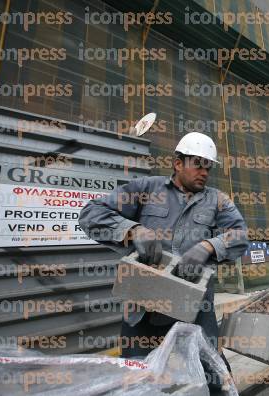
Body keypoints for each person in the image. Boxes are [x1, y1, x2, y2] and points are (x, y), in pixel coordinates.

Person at [79, 132, 248, 390]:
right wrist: (133, 230)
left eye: (208, 167)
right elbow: (91, 214)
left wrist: (208, 246)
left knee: (216, 375)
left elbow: (240, 235)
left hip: (195, 311)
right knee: (139, 379)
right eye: (197, 164)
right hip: (144, 311)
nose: (204, 172)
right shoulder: (147, 189)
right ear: (178, 163)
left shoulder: (217, 200)